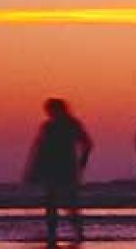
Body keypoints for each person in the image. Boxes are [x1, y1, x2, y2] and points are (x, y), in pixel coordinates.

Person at [25, 98, 93, 241]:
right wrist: (32, 168)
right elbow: (40, 148)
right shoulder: (50, 125)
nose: (49, 113)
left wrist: (82, 162)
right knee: (54, 202)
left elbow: (87, 144)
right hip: (54, 167)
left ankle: (75, 234)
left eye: (50, 110)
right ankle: (57, 234)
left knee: (66, 202)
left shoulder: (69, 124)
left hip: (64, 167)